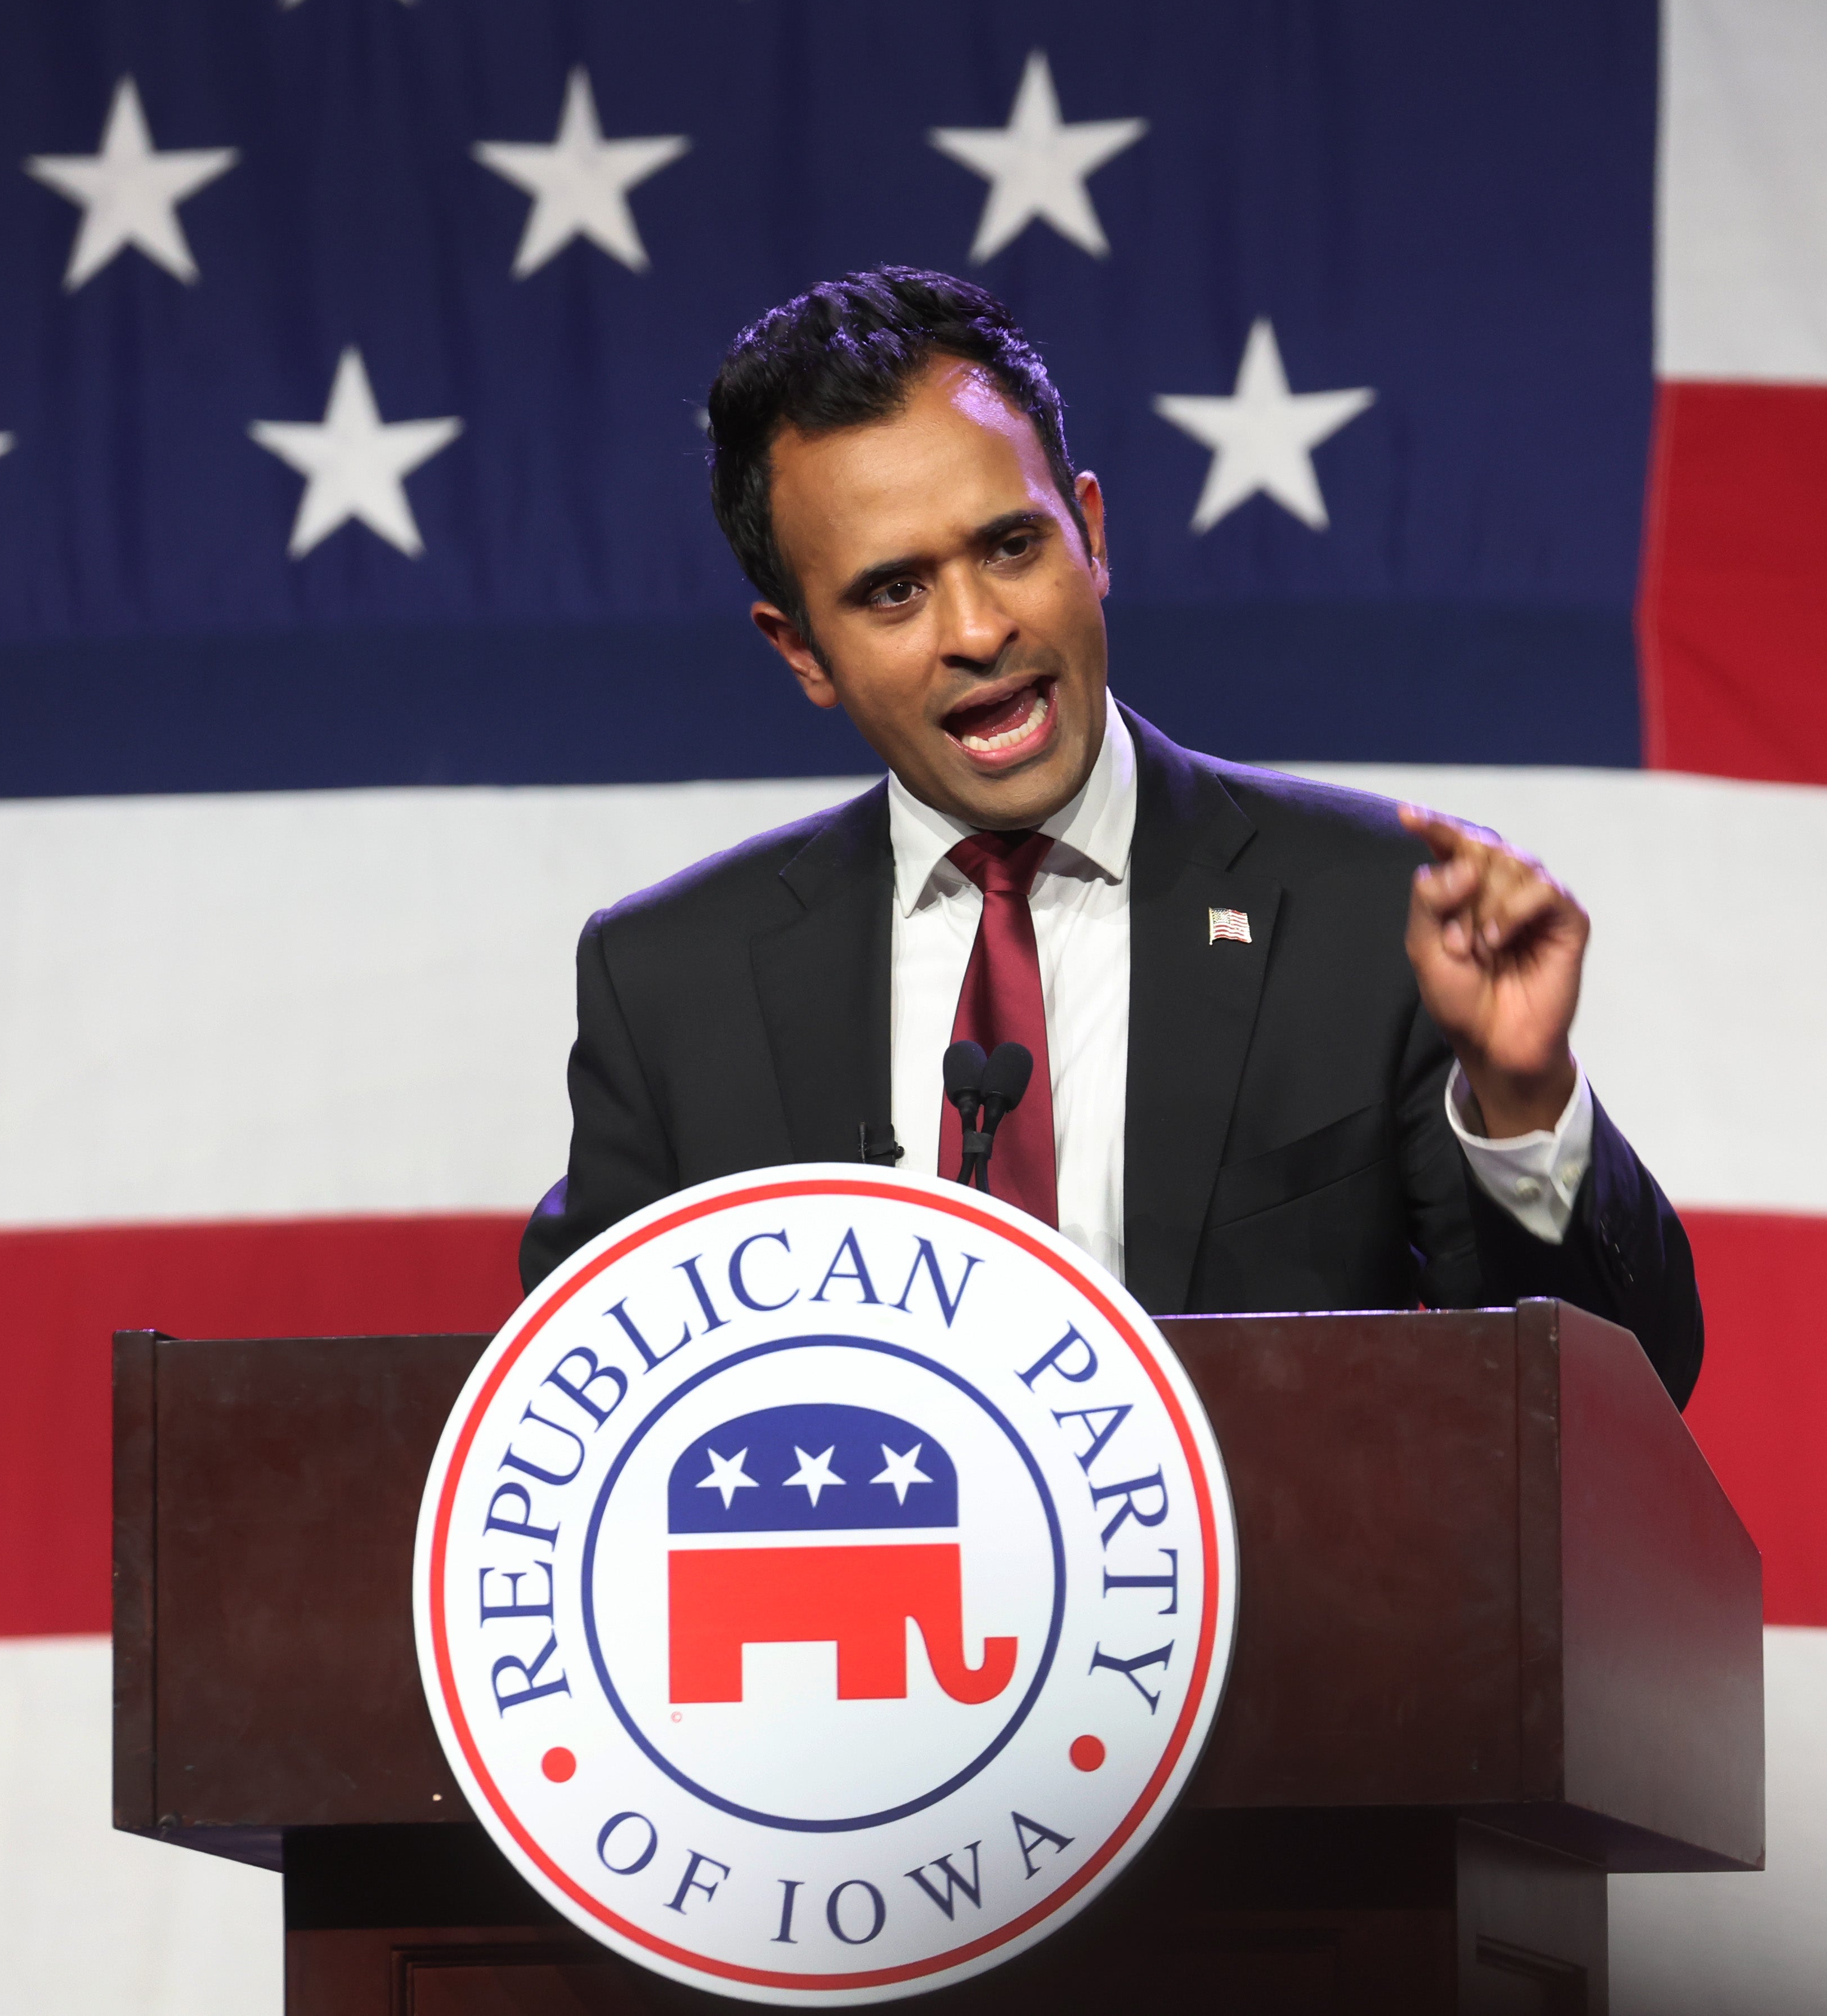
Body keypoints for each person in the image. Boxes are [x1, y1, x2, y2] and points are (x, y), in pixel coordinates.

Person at [521, 268, 1700, 1405]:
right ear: (799, 651)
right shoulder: (674, 984)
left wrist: (1522, 1100)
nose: (978, 629)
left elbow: (1623, 1397)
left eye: (1010, 547)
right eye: (893, 593)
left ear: (1089, 534)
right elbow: (585, 1415)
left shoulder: (1373, 912)